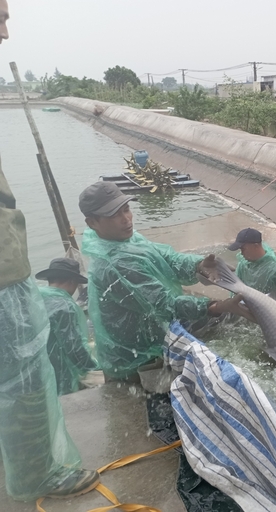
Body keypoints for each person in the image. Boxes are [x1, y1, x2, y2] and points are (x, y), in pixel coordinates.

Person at [0, 1, 101, 500]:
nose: (6, 26)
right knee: (22, 390)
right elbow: (77, 358)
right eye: (1, 14)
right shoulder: (61, 310)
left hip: (10, 272)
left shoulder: (51, 300)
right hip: (4, 278)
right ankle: (34, 475)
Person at [79, 181, 253, 381]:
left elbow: (167, 258)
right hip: (135, 362)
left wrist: (198, 265)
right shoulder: (114, 264)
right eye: (114, 215)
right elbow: (165, 304)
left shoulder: (128, 240)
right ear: (92, 222)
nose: (126, 219)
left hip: (154, 340)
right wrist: (214, 306)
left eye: (126, 209)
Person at [35, 258, 98, 396]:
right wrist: (94, 369)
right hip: (61, 373)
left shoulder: (35, 298)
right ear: (72, 281)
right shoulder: (65, 307)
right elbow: (74, 349)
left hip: (38, 373)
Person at [227, 228, 276, 295]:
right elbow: (235, 291)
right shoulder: (243, 264)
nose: (241, 253)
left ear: (255, 246)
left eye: (243, 249)